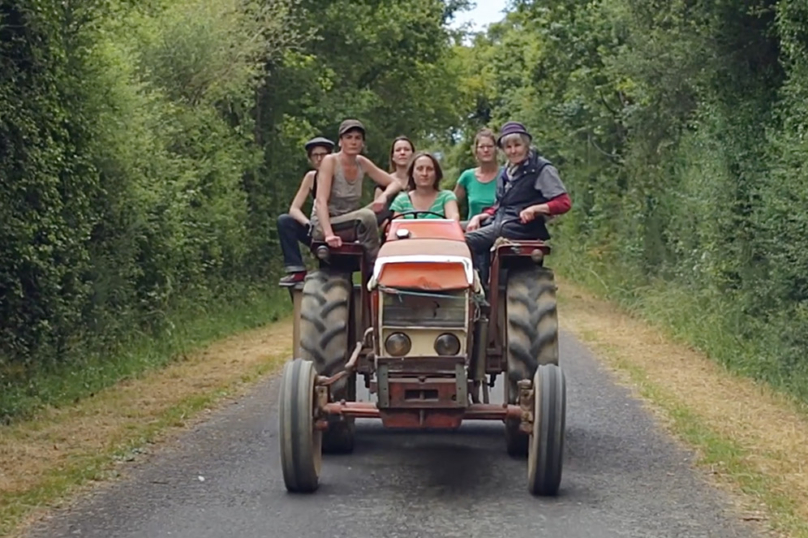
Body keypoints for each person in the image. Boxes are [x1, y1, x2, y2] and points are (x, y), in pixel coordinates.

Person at [465, 121, 572, 285]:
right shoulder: (505, 172)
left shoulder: (541, 169)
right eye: (508, 147)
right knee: (454, 229)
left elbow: (563, 203)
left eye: (517, 145)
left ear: (526, 145)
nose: (513, 150)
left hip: (520, 227)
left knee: (467, 240)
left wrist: (536, 209)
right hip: (500, 222)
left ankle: (481, 288)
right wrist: (480, 216)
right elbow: (500, 205)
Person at [311, 119, 402, 269]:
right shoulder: (330, 161)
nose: (353, 142)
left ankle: (394, 248)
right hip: (326, 224)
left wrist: (383, 196)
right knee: (366, 216)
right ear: (340, 142)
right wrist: (328, 234)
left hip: (352, 219)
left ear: (362, 144)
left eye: (357, 138)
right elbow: (321, 200)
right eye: (349, 138)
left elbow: (396, 183)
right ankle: (377, 267)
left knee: (394, 199)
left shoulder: (362, 162)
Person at [277, 136, 335, 286]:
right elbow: (294, 209)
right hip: (317, 228)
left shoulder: (339, 175)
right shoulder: (311, 177)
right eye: (315, 155)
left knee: (331, 273)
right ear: (310, 159)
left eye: (323, 155)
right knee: (284, 221)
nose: (319, 159)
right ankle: (296, 269)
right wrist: (308, 224)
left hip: (337, 228)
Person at [389, 152, 460, 220]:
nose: (424, 173)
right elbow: (397, 227)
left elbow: (453, 218)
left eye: (429, 169)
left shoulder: (447, 197)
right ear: (412, 173)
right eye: (420, 169)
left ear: (436, 174)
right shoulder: (401, 200)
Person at [453, 128, 500, 223]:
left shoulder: (506, 175)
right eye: (482, 147)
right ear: (476, 151)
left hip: (499, 229)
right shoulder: (467, 176)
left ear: (496, 149)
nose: (486, 150)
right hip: (473, 230)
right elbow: (451, 204)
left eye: (490, 146)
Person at [375, 136, 415, 225]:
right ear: (393, 156)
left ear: (413, 154)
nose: (402, 153)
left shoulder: (421, 181)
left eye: (406, 149)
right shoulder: (383, 183)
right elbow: (377, 215)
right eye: (398, 150)